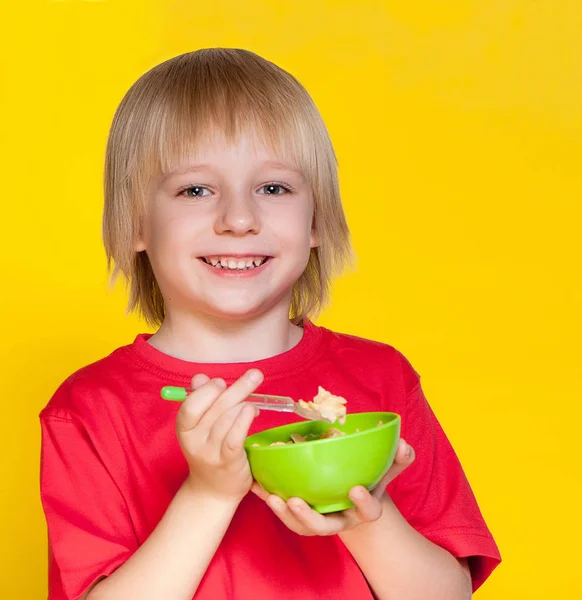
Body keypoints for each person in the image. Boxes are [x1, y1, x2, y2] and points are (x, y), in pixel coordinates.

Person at [39, 48, 501, 600]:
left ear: (315, 221)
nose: (239, 219)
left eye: (274, 188)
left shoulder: (382, 380)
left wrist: (367, 515)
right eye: (195, 190)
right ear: (137, 224)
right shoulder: (89, 409)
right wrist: (207, 495)